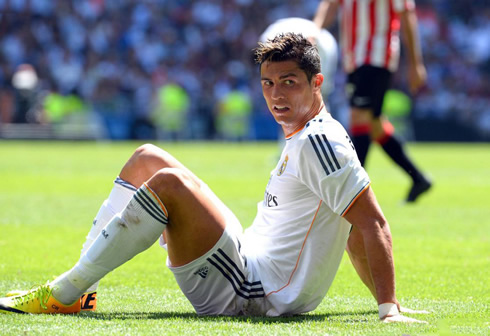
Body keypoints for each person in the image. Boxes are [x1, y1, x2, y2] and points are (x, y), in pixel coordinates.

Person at [0, 33, 426, 322]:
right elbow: (350, 227)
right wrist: (381, 301)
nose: (277, 95)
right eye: (268, 83)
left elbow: (371, 221)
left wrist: (388, 308)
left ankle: (66, 291)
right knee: (148, 157)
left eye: (290, 83)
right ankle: (83, 289)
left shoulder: (319, 142)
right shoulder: (307, 135)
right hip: (247, 257)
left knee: (168, 183)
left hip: (252, 291)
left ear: (317, 83)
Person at [313, 0, 432, 202]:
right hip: (353, 59)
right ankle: (418, 179)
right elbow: (331, 5)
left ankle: (352, 192)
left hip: (376, 57)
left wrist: (415, 64)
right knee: (374, 125)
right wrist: (313, 32)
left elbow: (407, 15)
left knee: (359, 118)